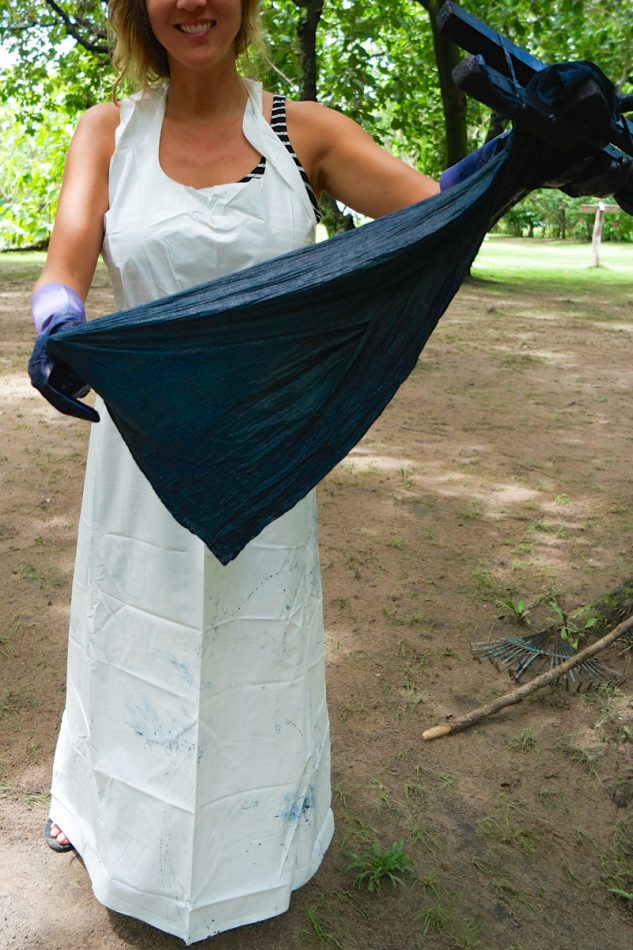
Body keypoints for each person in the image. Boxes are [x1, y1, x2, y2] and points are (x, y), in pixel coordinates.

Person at [32, 0, 438, 942]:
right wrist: (55, 318)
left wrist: (524, 157)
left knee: (256, 629)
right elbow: (67, 262)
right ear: (140, 9)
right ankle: (99, 813)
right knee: (129, 626)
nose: (193, 3)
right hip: (139, 456)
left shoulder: (308, 133)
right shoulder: (109, 129)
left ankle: (262, 842)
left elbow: (436, 217)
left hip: (262, 453)